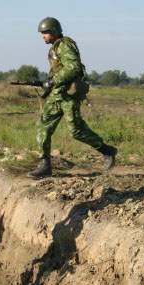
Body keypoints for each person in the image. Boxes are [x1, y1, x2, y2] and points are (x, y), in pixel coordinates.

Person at [28, 17, 117, 178]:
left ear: (54, 31)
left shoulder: (64, 45)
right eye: (42, 33)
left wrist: (53, 80)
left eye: (46, 32)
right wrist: (47, 83)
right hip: (57, 96)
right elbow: (60, 71)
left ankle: (107, 151)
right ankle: (44, 164)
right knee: (43, 126)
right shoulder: (55, 48)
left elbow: (74, 67)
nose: (43, 36)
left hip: (68, 96)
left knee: (76, 131)